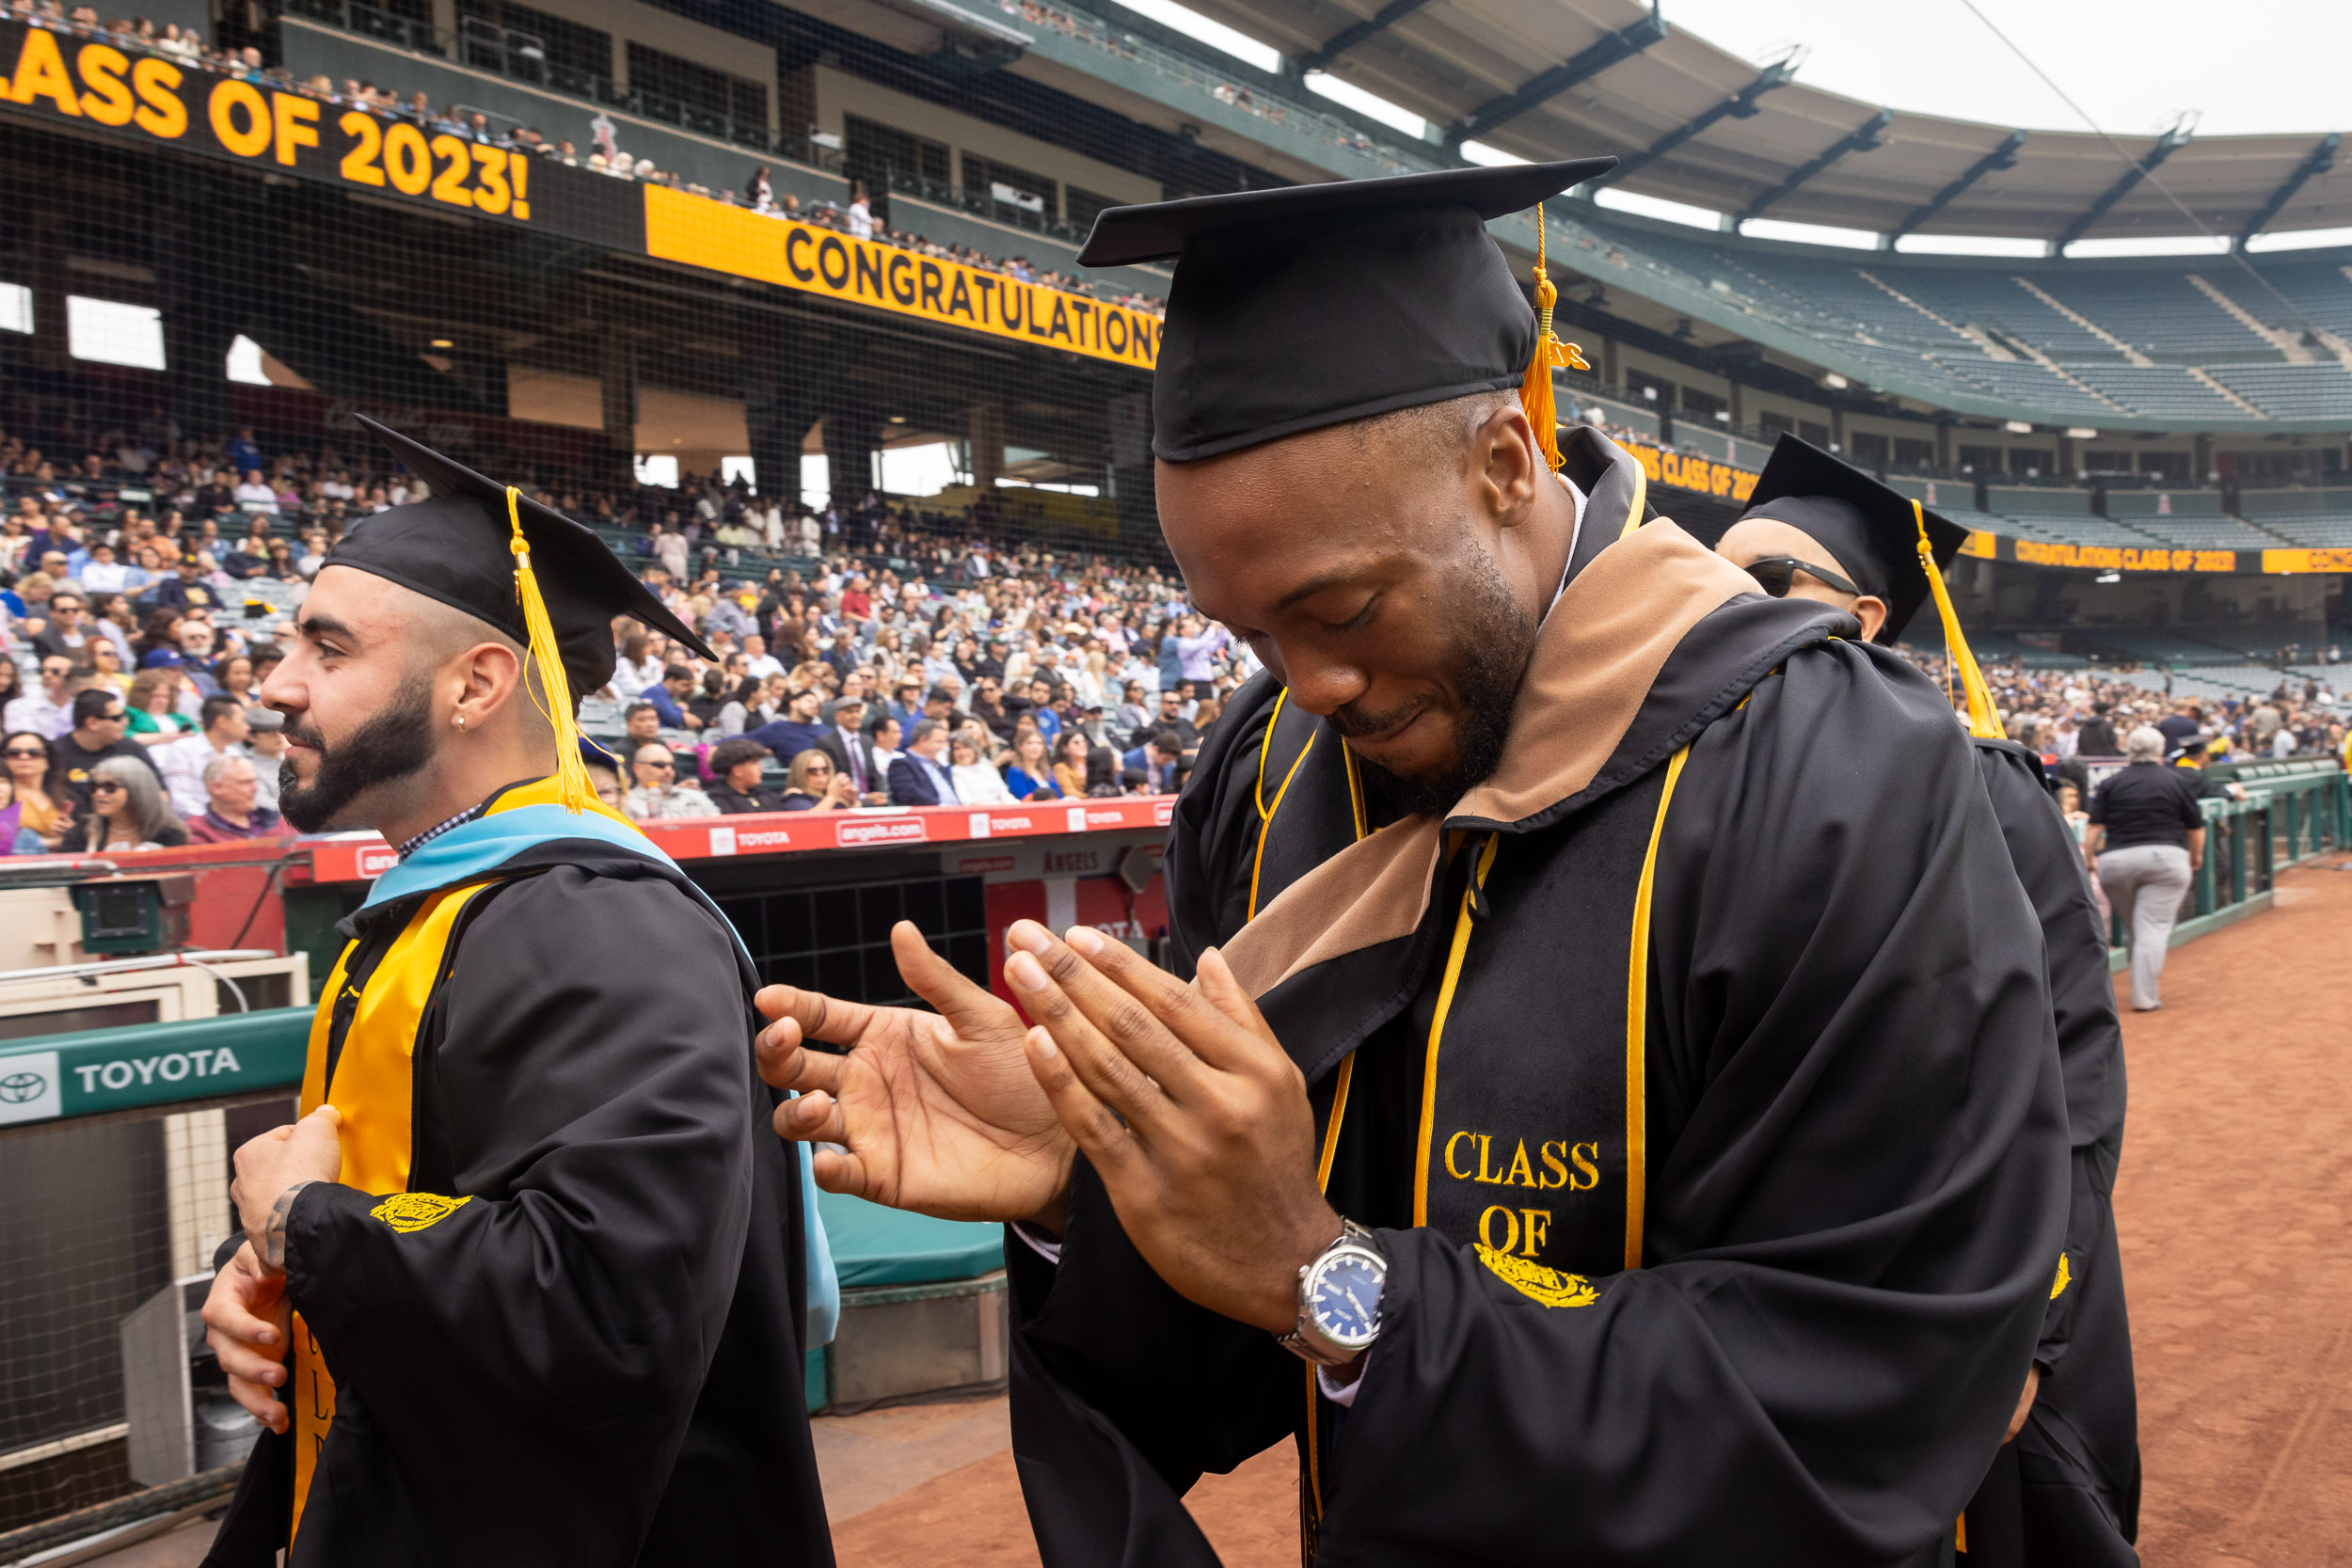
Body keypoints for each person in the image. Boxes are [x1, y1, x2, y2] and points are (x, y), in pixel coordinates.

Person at [755, 162, 2065, 1568]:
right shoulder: (1266, 782)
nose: (1309, 681)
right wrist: (1095, 1179)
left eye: (1344, 606)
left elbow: (1872, 1383)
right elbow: (1245, 1332)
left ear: (1505, 463)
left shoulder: (1841, 780)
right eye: (1251, 631)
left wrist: (1332, 1274)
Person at [195, 415, 833, 1567]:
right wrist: (280, 1283)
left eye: (327, 649)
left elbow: (609, 1306)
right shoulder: (437, 914)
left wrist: (311, 1228)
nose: (277, 685)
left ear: (477, 682)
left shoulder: (601, 922)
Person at [1715, 435, 2137, 1566]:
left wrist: (2026, 1334)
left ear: (1860, 615)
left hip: (1938, 1312)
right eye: (1707, 568)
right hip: (1739, 1338)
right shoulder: (1676, 801)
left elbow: (2074, 1074)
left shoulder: (1976, 786)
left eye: (1763, 579)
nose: (1718, 597)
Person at [2087, 726, 2204, 1014]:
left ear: (2130, 749)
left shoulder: (2112, 783)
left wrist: (2089, 856)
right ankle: (2144, 996)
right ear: (2160, 750)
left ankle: (2140, 987)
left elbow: (2095, 827)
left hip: (2116, 862)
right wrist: (2196, 856)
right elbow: (2196, 827)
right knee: (2151, 926)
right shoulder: (2175, 781)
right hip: (2166, 859)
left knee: (2135, 927)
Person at [51, 689, 158, 817]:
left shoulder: (132, 750)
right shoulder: (54, 754)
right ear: (92, 723)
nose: (125, 722)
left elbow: (159, 794)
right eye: (117, 718)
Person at [153, 694, 253, 817]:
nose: (248, 727)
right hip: (198, 826)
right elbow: (180, 802)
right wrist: (214, 823)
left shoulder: (235, 754)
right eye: (242, 720)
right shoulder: (182, 749)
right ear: (222, 722)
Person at [59, 755, 187, 850]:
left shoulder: (169, 834)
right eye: (94, 786)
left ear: (137, 789)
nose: (99, 793)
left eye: (110, 787)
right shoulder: (82, 832)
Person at [185, 754, 288, 843]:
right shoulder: (196, 832)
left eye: (254, 781)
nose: (255, 788)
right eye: (245, 782)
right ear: (216, 788)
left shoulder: (277, 822)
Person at [4, 730, 70, 852]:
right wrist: (46, 843)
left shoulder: (65, 797)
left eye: (34, 753)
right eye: (14, 753)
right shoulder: (3, 796)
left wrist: (70, 832)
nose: (24, 757)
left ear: (47, 760)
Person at [814, 697, 886, 804]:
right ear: (837, 716)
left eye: (858, 712)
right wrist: (862, 797)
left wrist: (880, 794)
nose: (855, 716)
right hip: (841, 801)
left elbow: (874, 773)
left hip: (871, 801)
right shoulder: (825, 742)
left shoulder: (867, 741)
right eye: (849, 712)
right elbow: (832, 777)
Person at [625, 741, 720, 819]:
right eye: (659, 765)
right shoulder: (626, 803)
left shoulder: (695, 796)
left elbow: (719, 826)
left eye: (671, 765)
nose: (668, 770)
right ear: (638, 769)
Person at [886, 718, 959, 806]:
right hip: (932, 815)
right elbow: (909, 794)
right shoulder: (901, 765)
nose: (942, 747)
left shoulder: (939, 766)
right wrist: (941, 806)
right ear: (922, 741)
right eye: (938, 742)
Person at [706, 737, 787, 812]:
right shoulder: (717, 799)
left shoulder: (764, 793)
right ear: (737, 771)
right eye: (754, 763)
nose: (760, 768)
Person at [6, 654, 77, 738]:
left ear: (72, 677)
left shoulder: (80, 706)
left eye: (55, 671)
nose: (46, 675)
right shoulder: (19, 706)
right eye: (42, 670)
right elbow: (26, 742)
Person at [779, 750, 855, 811]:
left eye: (825, 770)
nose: (820, 774)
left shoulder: (832, 794)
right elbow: (809, 821)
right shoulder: (795, 795)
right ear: (800, 773)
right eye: (813, 771)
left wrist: (852, 802)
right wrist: (832, 796)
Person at [948, 737, 1016, 805]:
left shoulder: (985, 765)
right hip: (981, 812)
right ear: (952, 753)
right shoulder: (955, 772)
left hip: (1002, 808)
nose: (962, 752)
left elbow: (1004, 793)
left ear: (974, 749)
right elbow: (967, 801)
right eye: (957, 749)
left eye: (966, 747)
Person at [1001, 729, 1060, 800]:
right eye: (1030, 743)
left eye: (1039, 743)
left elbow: (1059, 795)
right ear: (1020, 747)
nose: (1035, 747)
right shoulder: (1015, 772)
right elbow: (1024, 798)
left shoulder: (1047, 770)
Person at [1050, 730, 1092, 800]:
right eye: (1076, 742)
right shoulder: (1060, 767)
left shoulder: (1091, 763)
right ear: (1064, 748)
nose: (1082, 745)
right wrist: (1092, 797)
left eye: (1084, 741)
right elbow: (1069, 792)